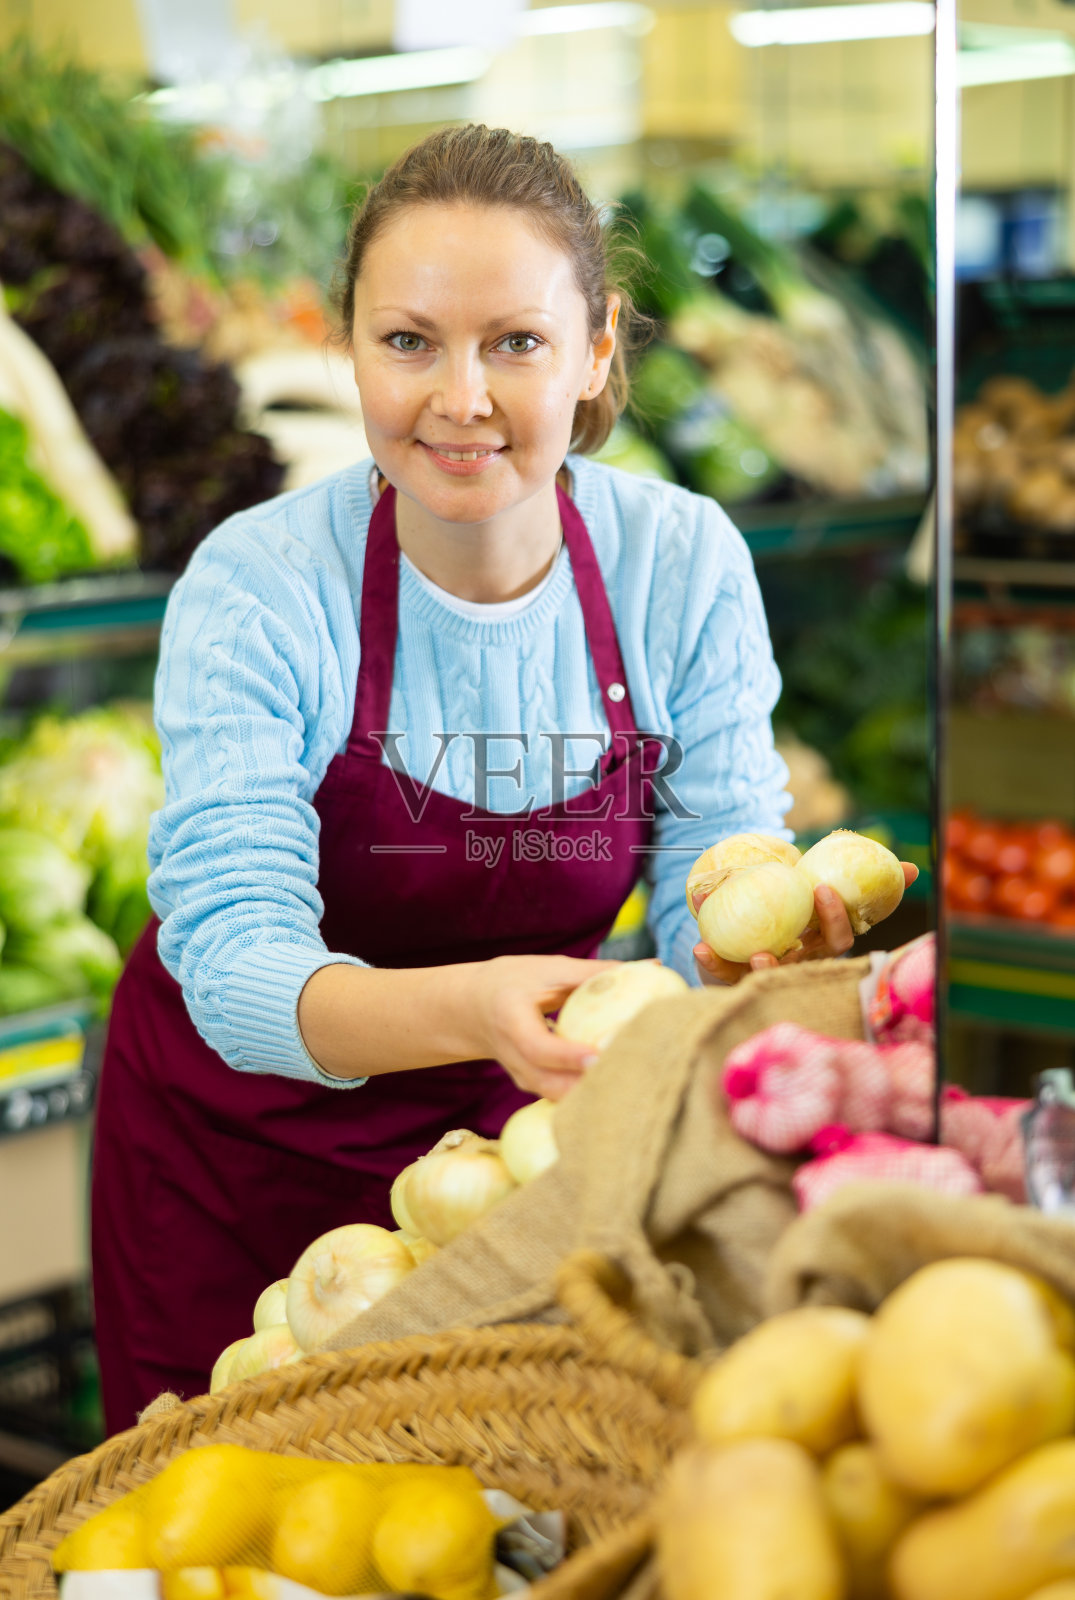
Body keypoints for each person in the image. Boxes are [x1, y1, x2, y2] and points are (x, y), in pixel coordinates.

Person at [90, 123, 916, 1433]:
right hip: (233, 1167)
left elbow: (725, 872)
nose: (459, 397)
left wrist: (759, 958)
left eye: (517, 343)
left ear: (598, 349)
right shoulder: (261, 587)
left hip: (505, 1158)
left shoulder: (680, 561)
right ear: (346, 347)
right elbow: (239, 969)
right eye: (407, 340)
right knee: (228, 1526)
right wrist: (481, 1007)